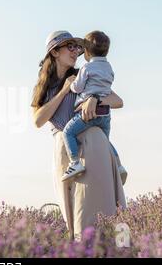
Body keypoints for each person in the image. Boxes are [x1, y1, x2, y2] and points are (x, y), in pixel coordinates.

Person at [31, 30, 127, 240]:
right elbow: (38, 120)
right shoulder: (46, 86)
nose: (76, 51)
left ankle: (112, 251)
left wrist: (95, 99)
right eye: (70, 46)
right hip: (65, 149)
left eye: (77, 47)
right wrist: (64, 91)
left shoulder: (85, 75)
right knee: (72, 216)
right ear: (55, 52)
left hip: (94, 145)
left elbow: (118, 101)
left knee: (97, 211)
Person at [61, 31, 127, 184]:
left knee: (68, 132)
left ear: (88, 52)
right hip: (105, 114)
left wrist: (70, 85)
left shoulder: (86, 68)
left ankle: (75, 162)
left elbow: (77, 88)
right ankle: (119, 166)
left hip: (87, 113)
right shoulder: (109, 68)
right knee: (105, 141)